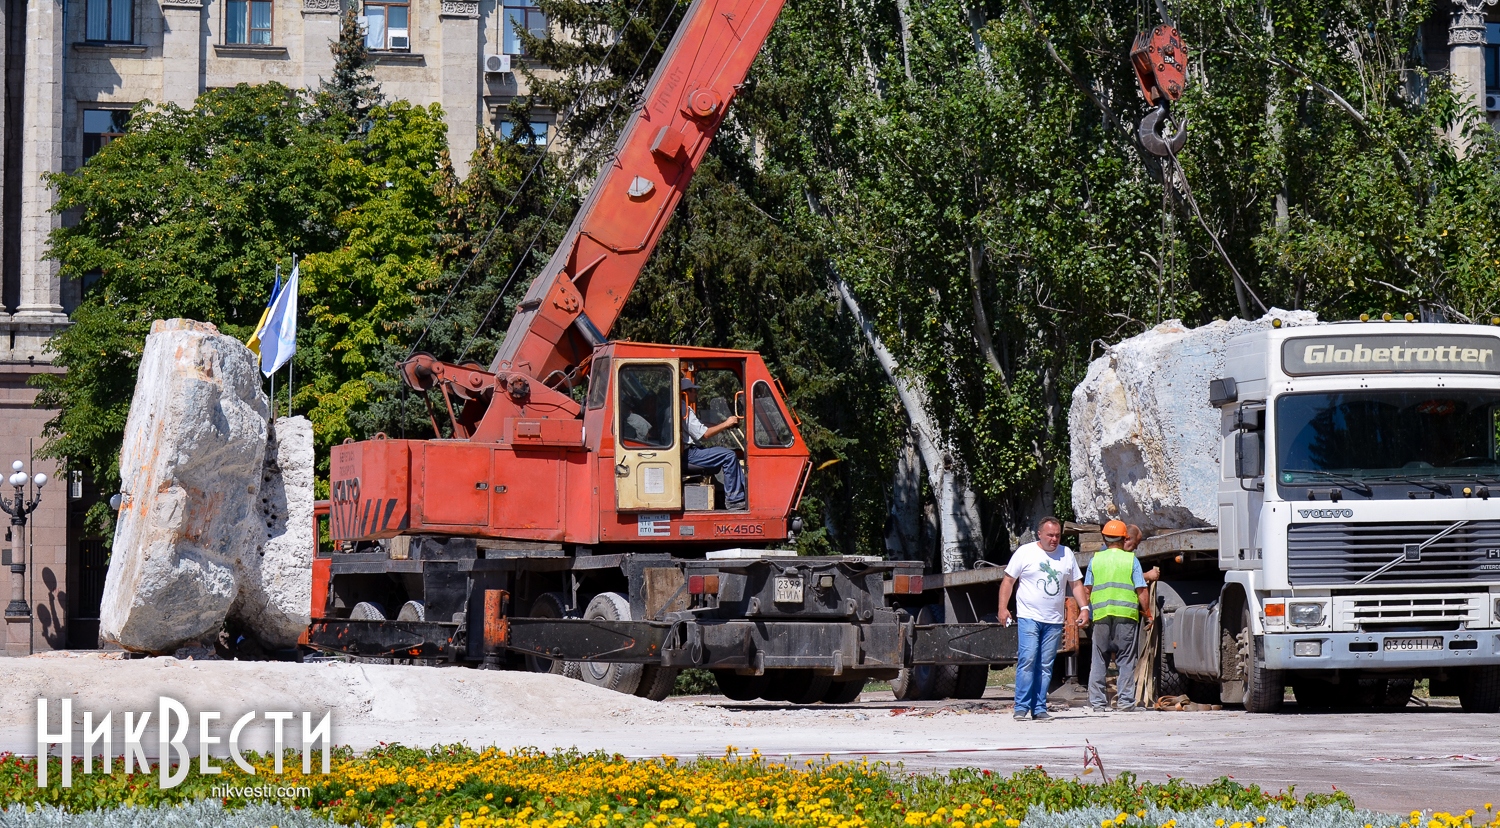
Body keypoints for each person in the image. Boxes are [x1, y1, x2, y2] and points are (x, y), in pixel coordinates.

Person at [998, 517, 1088, 721]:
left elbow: (1075, 584)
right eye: (1050, 535)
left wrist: (1084, 608)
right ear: (1040, 534)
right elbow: (1008, 581)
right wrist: (1002, 608)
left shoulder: (1066, 554)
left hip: (1054, 620)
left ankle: (1039, 708)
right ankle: (1021, 707)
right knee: (1028, 659)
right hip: (1029, 616)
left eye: (1057, 535)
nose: (1054, 539)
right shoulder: (1025, 552)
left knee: (1046, 665)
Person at [1084, 519, 1153, 712]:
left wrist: (1086, 611)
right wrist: (1147, 613)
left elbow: (1087, 589)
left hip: (1101, 617)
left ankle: (1097, 704)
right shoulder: (1131, 560)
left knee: (1098, 660)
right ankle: (1125, 703)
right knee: (1126, 661)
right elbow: (1142, 590)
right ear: (1124, 538)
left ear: (1104, 539)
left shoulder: (1095, 560)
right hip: (1126, 617)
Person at [681, 378, 747, 510]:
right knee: (729, 456)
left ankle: (741, 495)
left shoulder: (681, 408)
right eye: (693, 391)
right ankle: (734, 500)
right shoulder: (684, 409)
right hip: (690, 453)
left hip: (690, 452)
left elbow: (700, 426)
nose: (696, 394)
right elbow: (704, 434)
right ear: (685, 393)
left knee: (727, 454)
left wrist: (721, 425)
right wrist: (726, 424)